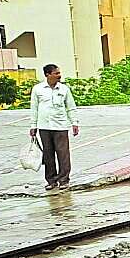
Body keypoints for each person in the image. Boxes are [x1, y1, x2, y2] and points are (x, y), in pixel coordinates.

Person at [29, 63, 79, 191]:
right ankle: (51, 181)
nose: (59, 75)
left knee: (63, 154)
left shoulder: (64, 89)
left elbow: (71, 107)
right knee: (48, 155)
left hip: (61, 126)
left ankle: (64, 180)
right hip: (44, 127)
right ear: (47, 75)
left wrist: (74, 123)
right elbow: (34, 109)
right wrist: (33, 126)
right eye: (56, 73)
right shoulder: (38, 89)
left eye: (59, 73)